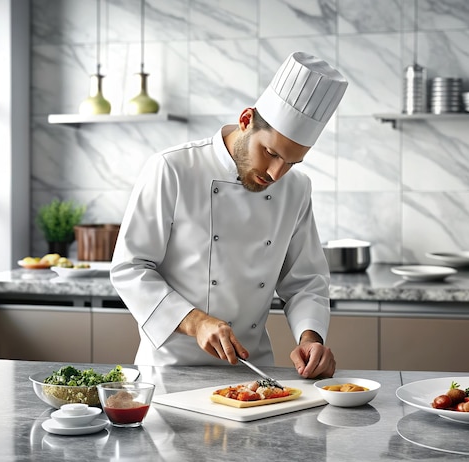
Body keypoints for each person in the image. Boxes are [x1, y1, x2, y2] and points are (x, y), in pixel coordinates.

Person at [110, 52, 348, 379]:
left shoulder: (296, 188)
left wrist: (311, 337)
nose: (277, 173)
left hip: (251, 371)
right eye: (271, 153)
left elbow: (305, 281)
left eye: (291, 162)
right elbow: (130, 267)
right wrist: (197, 322)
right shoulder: (173, 169)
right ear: (246, 119)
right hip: (169, 370)